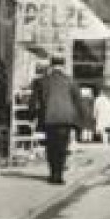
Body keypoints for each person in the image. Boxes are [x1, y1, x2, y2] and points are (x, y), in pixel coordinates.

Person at [31, 54, 83, 185]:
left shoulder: (43, 81)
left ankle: (53, 174)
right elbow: (78, 102)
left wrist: (33, 114)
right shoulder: (71, 81)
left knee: (51, 146)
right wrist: (79, 121)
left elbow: (33, 101)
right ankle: (59, 175)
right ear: (63, 66)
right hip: (66, 118)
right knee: (62, 146)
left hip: (49, 118)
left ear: (51, 65)